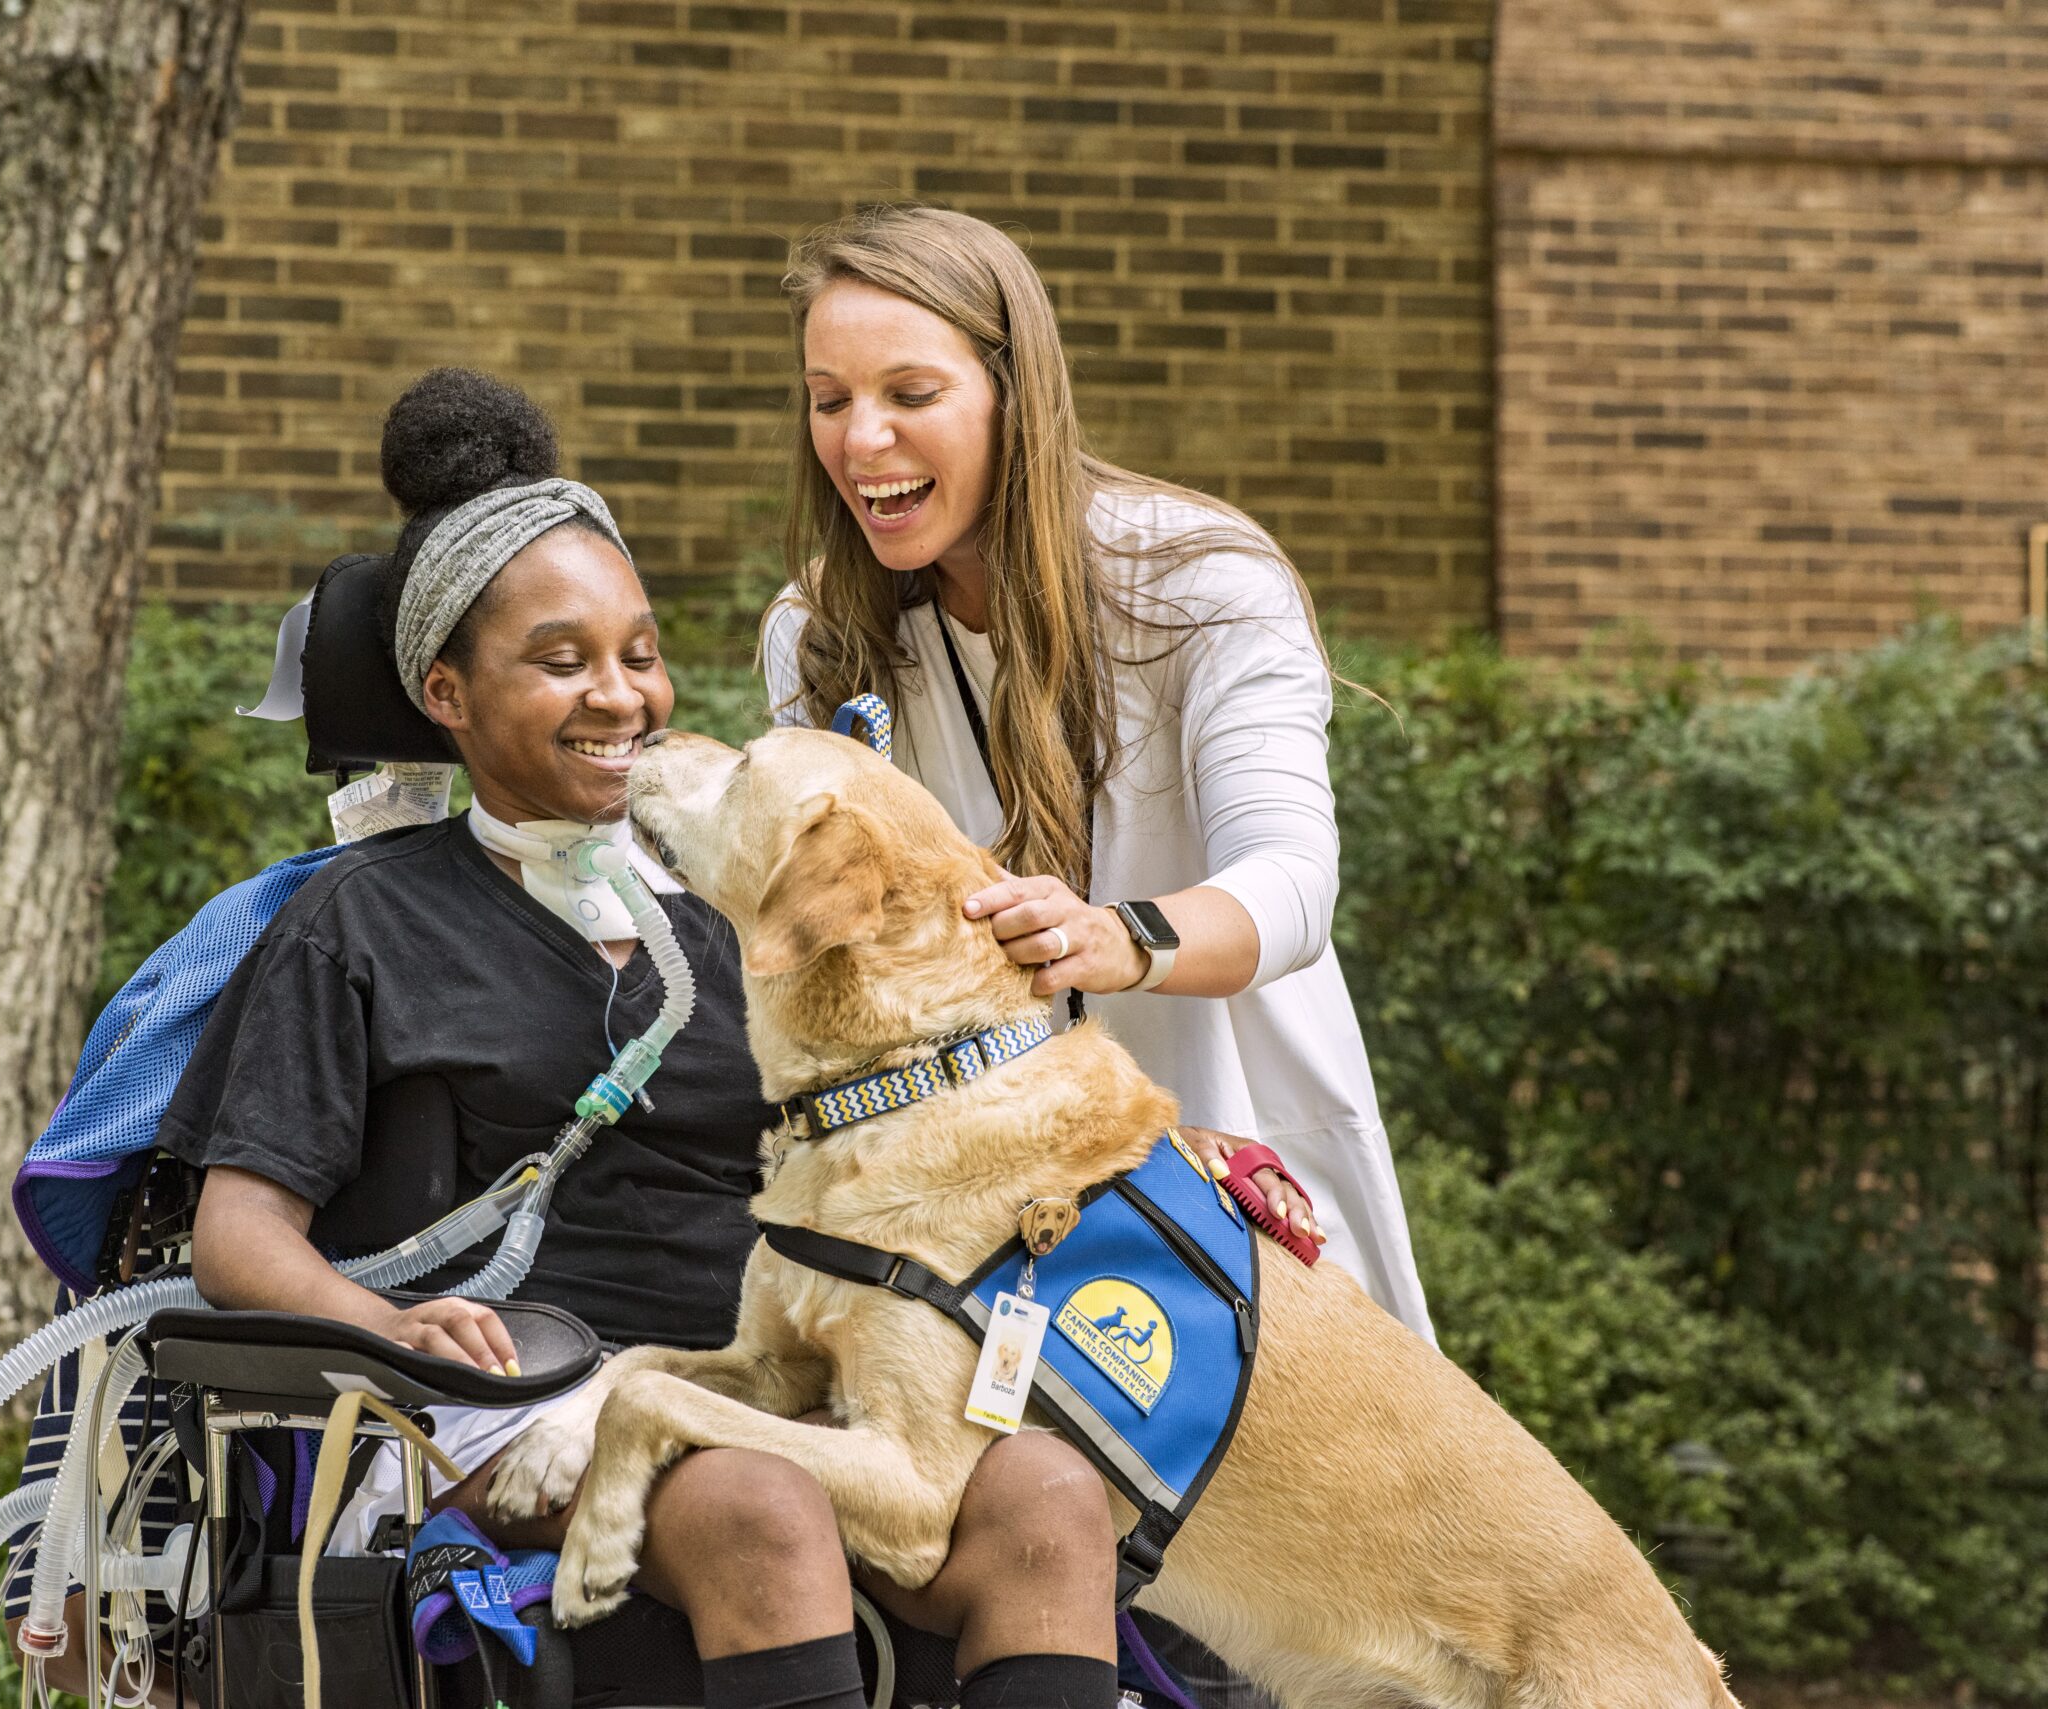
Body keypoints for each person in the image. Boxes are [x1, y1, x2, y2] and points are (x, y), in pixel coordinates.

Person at [156, 368, 1121, 1709]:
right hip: (515, 1400)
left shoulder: (746, 912)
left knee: (1047, 1495)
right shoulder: (362, 921)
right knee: (757, 1503)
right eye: (561, 663)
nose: (621, 697)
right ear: (447, 692)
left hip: (765, 1373)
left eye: (641, 654)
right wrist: (389, 1325)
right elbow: (237, 1235)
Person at [763, 205, 1434, 1342]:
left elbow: (1290, 882)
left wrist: (1122, 937)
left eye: (910, 395)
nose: (861, 439)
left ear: (1014, 395)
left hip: (1234, 1197)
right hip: (969, 1226)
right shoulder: (818, 633)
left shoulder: (1202, 583)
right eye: (831, 400)